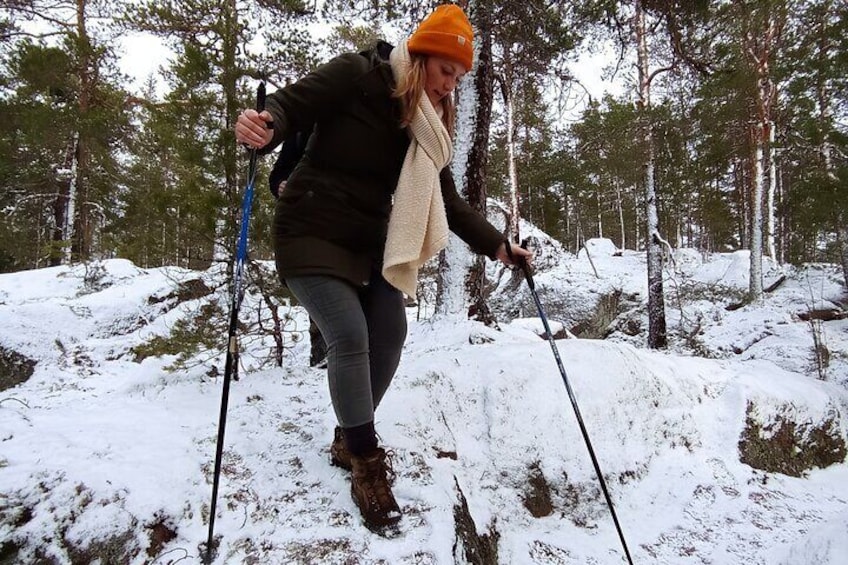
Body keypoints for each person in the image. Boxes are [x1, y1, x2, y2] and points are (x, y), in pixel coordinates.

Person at [235, 3, 532, 532]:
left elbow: (451, 202)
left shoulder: (423, 128)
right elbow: (289, 106)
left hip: (367, 242)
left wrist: (500, 247)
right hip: (309, 229)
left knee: (390, 332)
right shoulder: (357, 74)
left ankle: (350, 433)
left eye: (460, 78)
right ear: (421, 57)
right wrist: (265, 124)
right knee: (350, 335)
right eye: (446, 71)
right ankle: (366, 465)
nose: (450, 86)